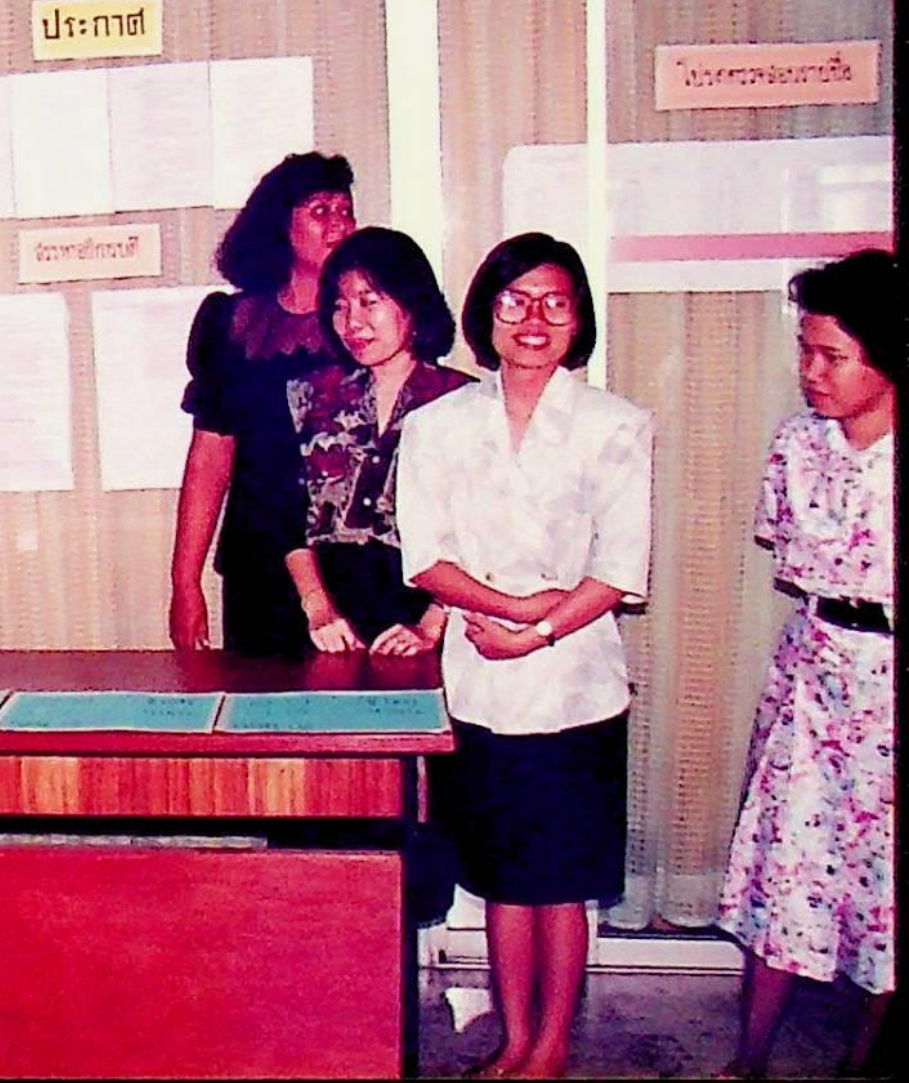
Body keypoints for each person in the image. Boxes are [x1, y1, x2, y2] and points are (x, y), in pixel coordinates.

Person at [396, 233, 654, 1079]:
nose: (532, 319)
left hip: (577, 685)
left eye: (553, 302)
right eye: (513, 301)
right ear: (486, 314)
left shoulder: (616, 425)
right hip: (480, 683)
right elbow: (424, 559)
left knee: (561, 882)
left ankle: (550, 1049)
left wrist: (538, 632)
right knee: (504, 878)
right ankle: (512, 1041)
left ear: (578, 318)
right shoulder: (436, 425)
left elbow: (620, 568)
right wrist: (510, 611)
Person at [715, 250, 896, 1079]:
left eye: (833, 356)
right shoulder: (796, 444)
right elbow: (787, 553)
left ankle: (861, 1061)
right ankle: (747, 1059)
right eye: (804, 351)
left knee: (883, 880)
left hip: (889, 683)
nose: (811, 373)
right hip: (814, 674)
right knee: (784, 867)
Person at [170, 151, 356, 656]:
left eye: (345, 210)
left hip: (355, 564)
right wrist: (185, 584)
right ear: (280, 225)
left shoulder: (372, 321)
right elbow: (210, 461)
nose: (338, 223)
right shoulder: (231, 324)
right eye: (320, 211)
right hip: (259, 562)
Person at [282, 226, 471, 656]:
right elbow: (283, 515)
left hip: (430, 619)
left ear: (413, 303)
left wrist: (431, 626)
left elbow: (483, 530)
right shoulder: (306, 396)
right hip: (320, 620)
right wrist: (318, 608)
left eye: (369, 302)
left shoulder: (463, 402)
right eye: (340, 305)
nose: (353, 322)